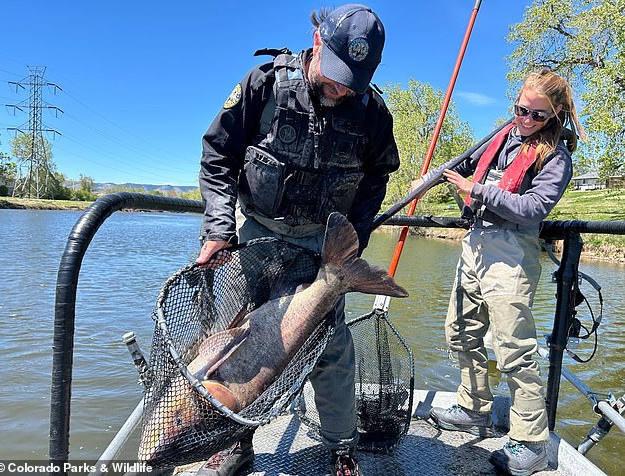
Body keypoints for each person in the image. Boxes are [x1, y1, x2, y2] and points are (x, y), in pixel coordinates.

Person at [195, 4, 399, 476]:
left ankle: (341, 446)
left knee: (331, 349)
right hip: (253, 240)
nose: (341, 87)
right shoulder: (262, 83)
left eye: (354, 79)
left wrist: (355, 238)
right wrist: (218, 230)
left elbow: (377, 176)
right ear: (316, 44)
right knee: (240, 347)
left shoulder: (372, 111)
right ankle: (233, 444)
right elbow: (217, 157)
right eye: (335, 73)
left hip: (321, 246)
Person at [424, 68, 585, 476]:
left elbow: (532, 209)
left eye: (536, 115)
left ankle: (531, 442)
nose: (525, 120)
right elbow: (458, 168)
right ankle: (473, 406)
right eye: (520, 110)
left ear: (556, 115)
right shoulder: (502, 138)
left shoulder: (556, 159)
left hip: (511, 255)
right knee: (459, 331)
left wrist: (475, 190)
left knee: (513, 350)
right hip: (474, 246)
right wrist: (426, 180)